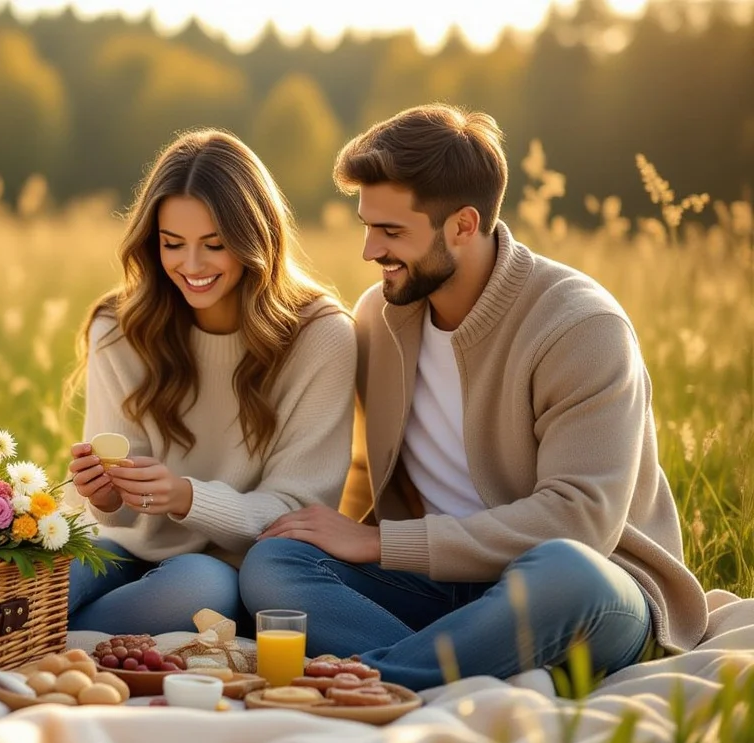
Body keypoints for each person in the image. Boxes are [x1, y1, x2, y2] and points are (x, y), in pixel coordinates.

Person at [239, 104, 709, 691]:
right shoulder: (377, 319)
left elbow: (578, 520)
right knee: (276, 565)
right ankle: (453, 664)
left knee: (566, 571)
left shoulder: (581, 327)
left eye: (390, 232)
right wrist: (327, 535)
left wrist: (380, 542)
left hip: (582, 589)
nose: (367, 251)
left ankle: (375, 677)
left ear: (463, 225)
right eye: (367, 225)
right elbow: (363, 474)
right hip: (436, 586)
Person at [64, 128, 357, 635]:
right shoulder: (119, 328)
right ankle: (19, 640)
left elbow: (296, 509)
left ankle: (40, 643)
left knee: (196, 590)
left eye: (215, 245)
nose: (191, 266)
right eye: (172, 244)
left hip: (228, 567)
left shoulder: (322, 336)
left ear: (255, 241)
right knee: (49, 571)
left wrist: (186, 497)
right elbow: (113, 514)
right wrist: (105, 496)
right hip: (122, 549)